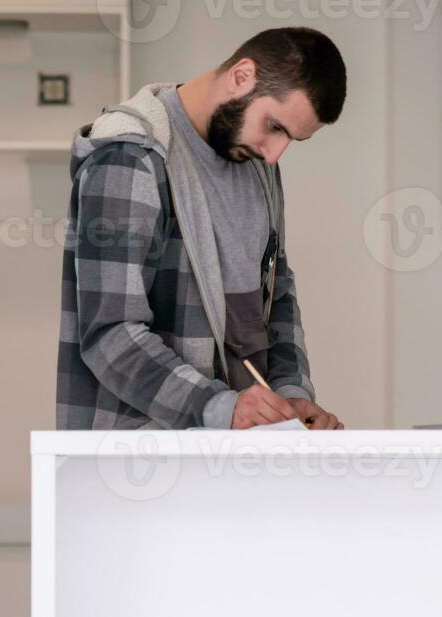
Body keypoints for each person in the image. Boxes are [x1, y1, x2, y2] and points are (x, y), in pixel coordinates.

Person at [58, 27, 348, 431]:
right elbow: (110, 335)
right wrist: (219, 407)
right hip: (138, 462)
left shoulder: (257, 168)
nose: (274, 152)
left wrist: (292, 397)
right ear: (241, 76)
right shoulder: (129, 158)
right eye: (275, 127)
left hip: (235, 457)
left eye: (292, 140)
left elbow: (276, 296)